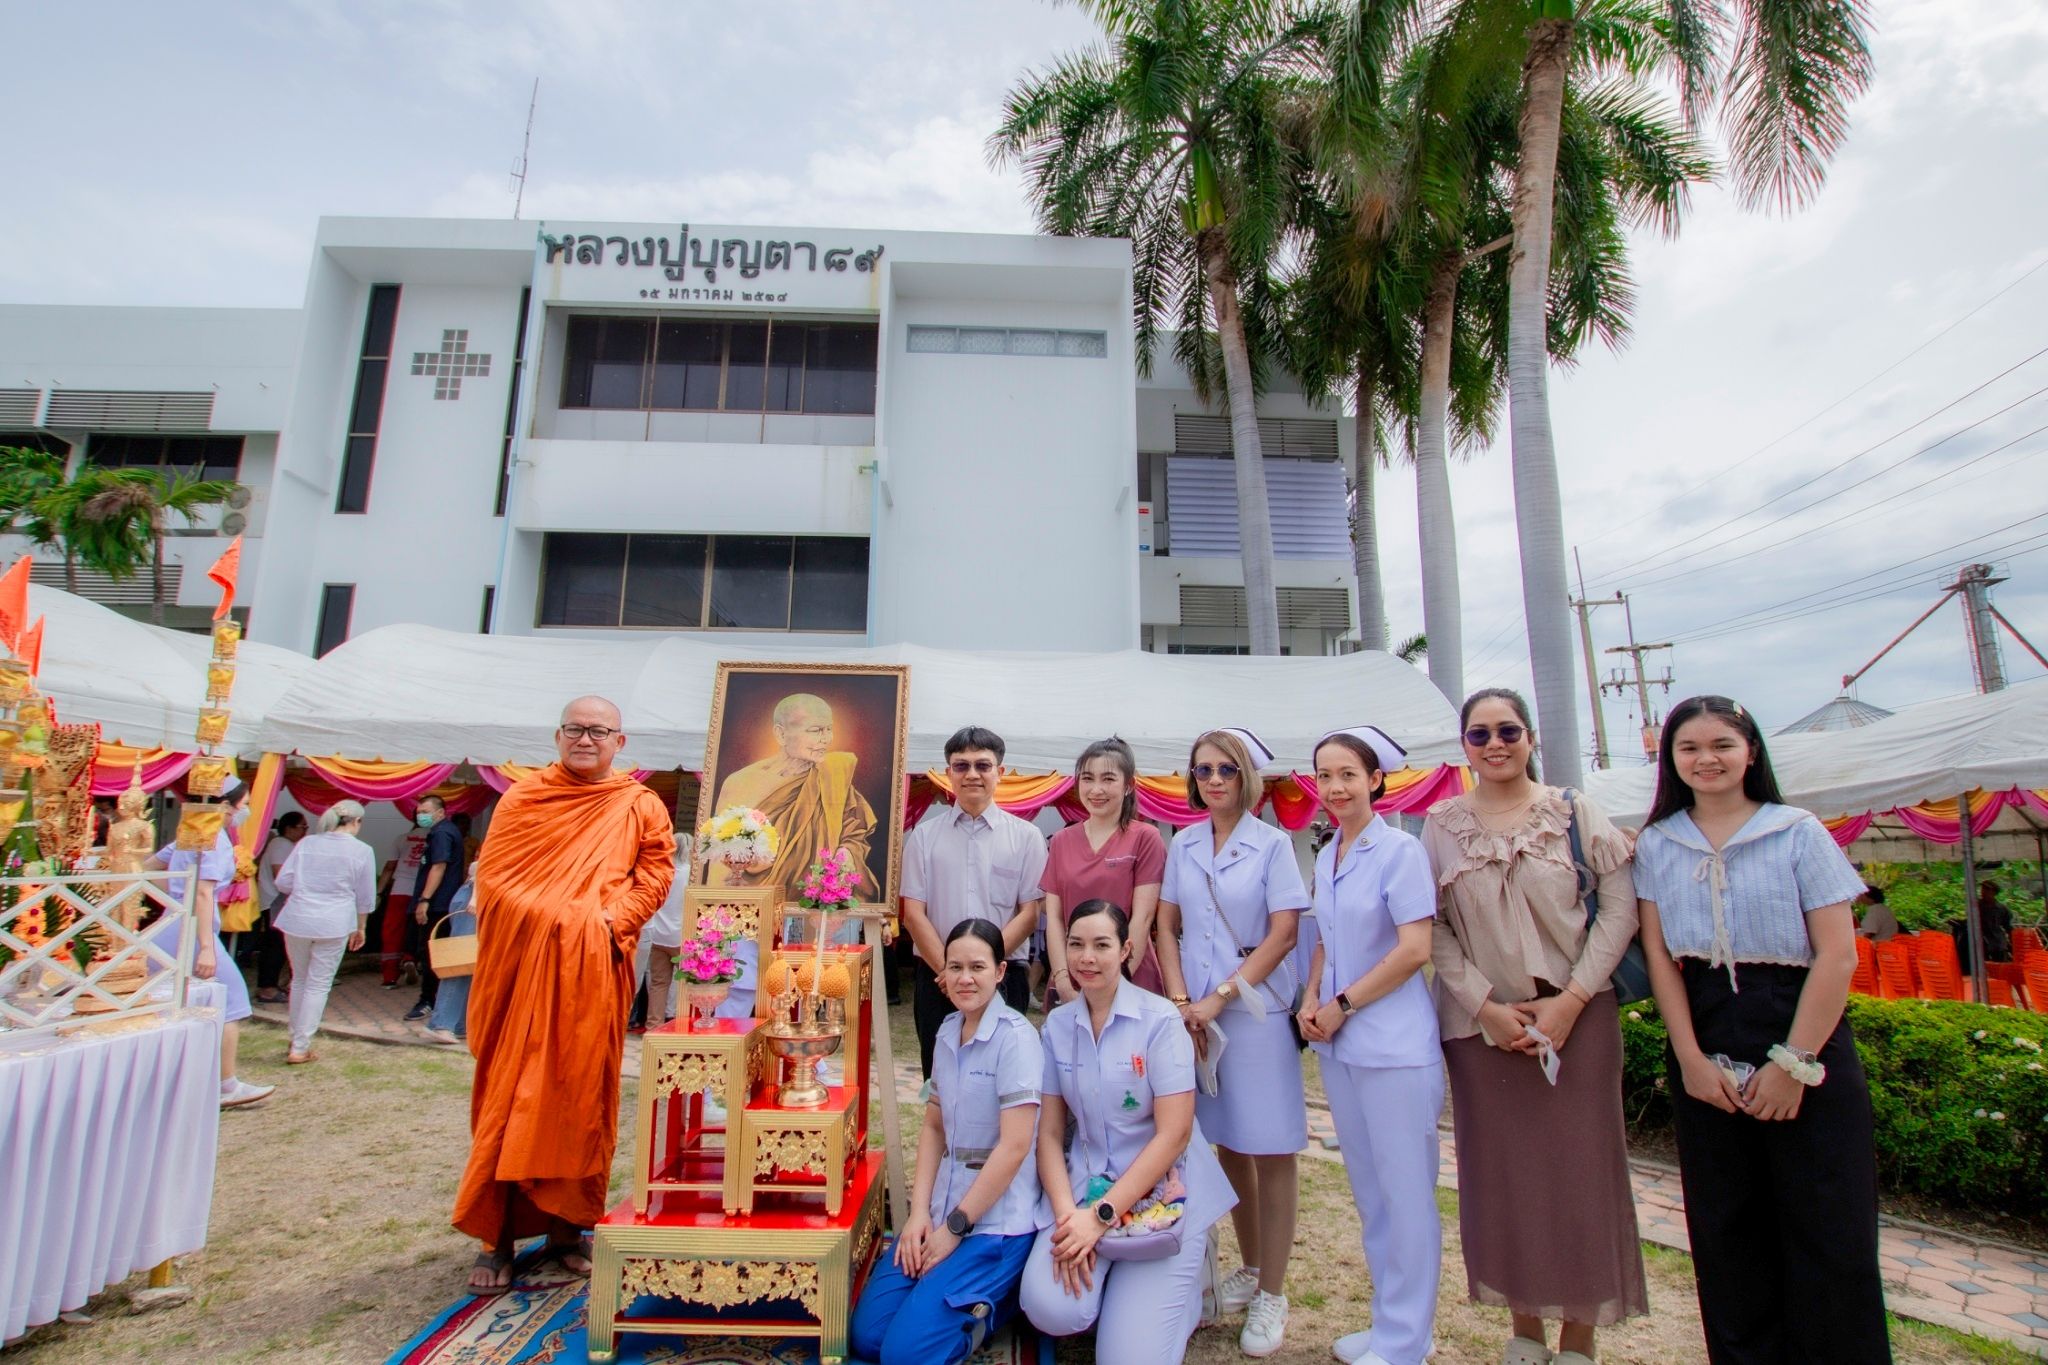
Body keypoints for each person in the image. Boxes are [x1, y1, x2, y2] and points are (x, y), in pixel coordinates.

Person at [1633, 695, 1888, 1364]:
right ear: (1672, 759)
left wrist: (1793, 1061)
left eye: (1721, 743)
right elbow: (1660, 954)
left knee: (1829, 1230)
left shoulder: (1797, 830)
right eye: (1689, 747)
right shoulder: (1659, 842)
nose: (1706, 758)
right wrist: (1687, 1056)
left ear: (1750, 750)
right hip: (1706, 1030)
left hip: (1801, 1028)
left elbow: (1838, 954)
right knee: (1727, 1232)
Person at [1424, 689, 1647, 1365]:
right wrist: (1485, 1005)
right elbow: (1429, 927)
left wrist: (1572, 1000)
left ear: (1530, 736)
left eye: (1508, 729)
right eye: (1479, 732)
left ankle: (1579, 1338)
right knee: (1503, 1179)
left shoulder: (1573, 811)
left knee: (1583, 1177)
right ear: (1463, 743)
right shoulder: (1439, 825)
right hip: (1483, 1031)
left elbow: (1620, 911)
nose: (1495, 743)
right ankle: (1524, 1331)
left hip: (1577, 1020)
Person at [454, 696, 676, 1295]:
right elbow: (493, 878)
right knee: (510, 1092)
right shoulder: (523, 798)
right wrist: (563, 915)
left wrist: (610, 922)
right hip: (524, 969)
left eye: (598, 730)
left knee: (580, 1093)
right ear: (557, 736)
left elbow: (656, 874)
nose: (586, 739)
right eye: (576, 729)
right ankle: (496, 1236)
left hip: (592, 970)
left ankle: (567, 1229)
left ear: (619, 742)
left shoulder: (638, 804)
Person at [1020, 899, 1237, 1364]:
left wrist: (1100, 1217)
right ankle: (1119, 1283)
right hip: (1087, 1187)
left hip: (1160, 1191)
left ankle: (1186, 1284)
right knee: (1049, 1308)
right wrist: (1068, 1220)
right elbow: (1050, 1135)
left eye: (1102, 945)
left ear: (1126, 951)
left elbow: (1174, 1135)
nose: (1087, 958)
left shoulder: (1159, 1022)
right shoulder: (1058, 1026)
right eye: (1076, 945)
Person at [1153, 727, 1307, 1358]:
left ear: (1246, 776)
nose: (1214, 780)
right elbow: (1166, 925)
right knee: (1227, 1145)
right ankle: (1250, 1267)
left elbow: (1285, 932)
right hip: (1197, 1018)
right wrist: (1183, 999)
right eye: (1203, 770)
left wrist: (1221, 994)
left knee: (1271, 1148)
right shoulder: (1183, 844)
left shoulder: (1273, 845)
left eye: (1225, 770)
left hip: (1254, 1012)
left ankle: (1274, 1292)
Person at [1298, 727, 1443, 1365]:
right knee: (1371, 1193)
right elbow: (1326, 939)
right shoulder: (1330, 851)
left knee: (1407, 1193)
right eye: (1325, 776)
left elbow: (1415, 949)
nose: (1335, 787)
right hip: (1340, 1046)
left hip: (1392, 1047)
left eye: (1347, 775)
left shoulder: (1400, 852)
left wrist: (1342, 1004)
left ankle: (1408, 1340)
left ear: (1376, 779)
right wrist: (1310, 1000)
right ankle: (1390, 1322)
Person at [850, 919, 1048, 1364]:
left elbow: (1015, 1147)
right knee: (868, 1337)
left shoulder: (1017, 1040)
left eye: (977, 967)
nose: (965, 978)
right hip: (944, 1208)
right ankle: (951, 1301)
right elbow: (934, 1127)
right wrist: (921, 1215)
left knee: (904, 1355)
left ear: (1000, 972)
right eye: (954, 967)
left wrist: (954, 1229)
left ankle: (997, 1304)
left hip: (994, 1224)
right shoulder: (946, 1031)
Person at [901, 725, 1047, 1077]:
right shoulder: (923, 837)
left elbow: (1029, 913)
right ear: (948, 773)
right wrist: (949, 972)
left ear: (1001, 771)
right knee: (939, 1080)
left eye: (983, 765)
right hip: (936, 979)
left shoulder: (1026, 838)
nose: (972, 774)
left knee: (1002, 1078)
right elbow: (913, 914)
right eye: (961, 765)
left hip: (1003, 975)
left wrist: (983, 967)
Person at [145, 775, 275, 1110]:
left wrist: (173, 896)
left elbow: (149, 868)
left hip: (170, 926)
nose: (243, 813)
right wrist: (204, 945)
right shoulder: (212, 839)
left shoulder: (190, 833)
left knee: (167, 1005)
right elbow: (203, 893)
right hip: (192, 930)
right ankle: (225, 1085)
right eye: (243, 806)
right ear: (223, 806)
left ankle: (171, 1080)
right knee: (231, 1002)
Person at [707, 691, 879, 900]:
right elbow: (719, 858)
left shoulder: (833, 777)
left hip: (815, 908)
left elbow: (854, 833)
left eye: (829, 730)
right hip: (755, 906)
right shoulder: (741, 782)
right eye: (815, 730)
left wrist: (846, 855)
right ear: (780, 734)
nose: (826, 739)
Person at [1043, 737, 1167, 1004]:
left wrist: (1117, 983)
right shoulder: (1062, 841)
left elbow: (1143, 919)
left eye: (1108, 779)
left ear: (1128, 786)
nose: (1096, 789)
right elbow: (1053, 919)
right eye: (1087, 778)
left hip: (1129, 976)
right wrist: (1063, 979)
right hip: (1073, 974)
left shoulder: (1145, 838)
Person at [273, 800, 375, 1064]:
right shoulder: (362, 850)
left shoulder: (307, 843)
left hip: (298, 916)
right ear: (356, 822)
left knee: (299, 980)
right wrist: (361, 926)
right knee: (318, 984)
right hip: (335, 920)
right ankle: (300, 1044)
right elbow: (365, 895)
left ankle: (296, 1038)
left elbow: (283, 881)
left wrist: (307, 887)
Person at [405, 793, 466, 1023]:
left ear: (440, 813)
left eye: (426, 812)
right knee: (431, 951)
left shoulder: (442, 833)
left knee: (430, 951)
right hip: (440, 901)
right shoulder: (443, 832)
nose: (421, 816)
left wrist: (425, 900)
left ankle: (428, 1000)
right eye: (419, 812)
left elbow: (438, 867)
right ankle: (433, 998)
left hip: (437, 903)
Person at [252, 810, 307, 1004]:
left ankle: (272, 984)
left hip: (281, 902)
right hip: (275, 901)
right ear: (289, 828)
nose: (305, 831)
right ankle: (267, 988)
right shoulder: (281, 844)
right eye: (303, 827)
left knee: (280, 946)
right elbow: (280, 874)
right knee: (274, 946)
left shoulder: (286, 845)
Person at [423, 865, 478, 1046]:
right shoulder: (504, 837)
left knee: (470, 965)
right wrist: (476, 898)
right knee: (459, 964)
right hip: (475, 898)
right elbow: (483, 865)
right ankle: (442, 1024)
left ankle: (459, 1025)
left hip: (478, 897)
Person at [377, 822, 428, 987]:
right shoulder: (435, 837)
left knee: (393, 930)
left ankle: (389, 977)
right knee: (418, 929)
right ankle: (409, 958)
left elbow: (389, 867)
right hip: (424, 890)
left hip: (400, 889)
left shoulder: (401, 839)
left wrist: (379, 892)